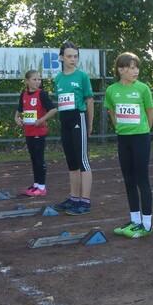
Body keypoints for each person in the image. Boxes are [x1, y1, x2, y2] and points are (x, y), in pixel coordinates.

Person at [105, 52, 153, 238]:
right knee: (128, 180)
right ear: (121, 70)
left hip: (140, 138)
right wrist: (119, 128)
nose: (136, 71)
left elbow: (150, 112)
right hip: (123, 138)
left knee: (142, 180)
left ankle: (147, 225)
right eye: (132, 68)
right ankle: (135, 220)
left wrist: (144, 130)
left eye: (136, 68)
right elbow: (111, 111)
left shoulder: (143, 89)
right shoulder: (111, 90)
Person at [53, 41, 94, 215]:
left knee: (82, 160)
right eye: (69, 56)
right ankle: (74, 198)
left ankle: (85, 201)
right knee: (71, 161)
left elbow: (89, 100)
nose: (73, 59)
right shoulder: (58, 79)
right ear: (61, 58)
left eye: (75, 56)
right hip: (65, 121)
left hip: (79, 117)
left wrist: (89, 124)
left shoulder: (82, 76)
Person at [15, 70, 57, 197]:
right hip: (28, 132)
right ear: (27, 81)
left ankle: (42, 187)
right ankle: (36, 184)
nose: (37, 82)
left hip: (39, 131)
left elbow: (53, 109)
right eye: (34, 79)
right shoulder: (23, 94)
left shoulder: (42, 94)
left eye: (39, 79)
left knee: (39, 159)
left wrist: (41, 120)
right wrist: (17, 119)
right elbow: (19, 111)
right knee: (33, 159)